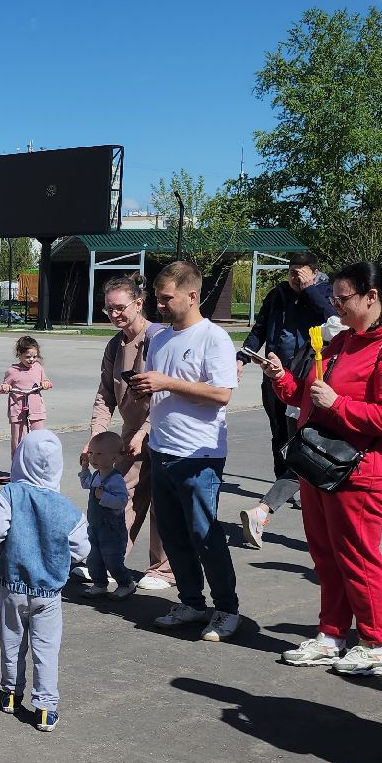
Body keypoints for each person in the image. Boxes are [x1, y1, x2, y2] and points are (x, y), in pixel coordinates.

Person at [259, 261, 382, 677]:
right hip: (322, 464)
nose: (333, 305)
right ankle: (332, 635)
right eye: (332, 297)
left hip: (361, 469)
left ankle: (376, 645)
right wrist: (282, 378)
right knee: (325, 555)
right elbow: (308, 394)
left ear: (372, 298)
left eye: (342, 298)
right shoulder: (344, 340)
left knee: (358, 557)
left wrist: (338, 405)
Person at [132, 261, 242, 641]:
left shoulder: (213, 338)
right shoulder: (161, 338)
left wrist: (167, 382)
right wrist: (146, 388)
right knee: (173, 534)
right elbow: (162, 388)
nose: (159, 306)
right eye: (158, 298)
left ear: (192, 295)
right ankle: (192, 603)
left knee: (204, 532)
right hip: (163, 448)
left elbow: (221, 394)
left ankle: (226, 608)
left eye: (166, 298)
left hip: (199, 454)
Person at [0, 430, 91, 733]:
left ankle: (11, 693)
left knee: (12, 639)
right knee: (46, 647)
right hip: (48, 589)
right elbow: (82, 549)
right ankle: (45, 707)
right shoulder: (66, 507)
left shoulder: (10, 494)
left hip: (11, 583)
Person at [83, 276, 175, 590]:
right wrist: (96, 437)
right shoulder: (114, 344)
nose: (114, 314)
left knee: (163, 502)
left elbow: (168, 396)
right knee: (119, 494)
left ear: (139, 303)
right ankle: (112, 559)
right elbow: (105, 395)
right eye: (109, 309)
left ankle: (163, 569)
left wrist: (145, 431)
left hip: (164, 430)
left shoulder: (160, 338)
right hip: (130, 433)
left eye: (120, 307)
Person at [237, 252, 333, 548]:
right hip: (274, 374)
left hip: (306, 378)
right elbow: (261, 327)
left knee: (304, 438)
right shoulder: (278, 294)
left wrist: (309, 290)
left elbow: (330, 320)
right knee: (280, 432)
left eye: (301, 273)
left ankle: (290, 488)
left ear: (315, 274)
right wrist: (243, 356)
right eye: (292, 272)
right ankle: (286, 483)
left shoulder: (325, 293)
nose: (295, 278)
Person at [77, 431, 137, 598]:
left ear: (115, 458)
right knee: (94, 559)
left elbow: (122, 501)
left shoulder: (115, 479)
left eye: (99, 454)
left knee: (112, 560)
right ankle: (99, 584)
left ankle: (126, 583)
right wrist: (84, 468)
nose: (93, 458)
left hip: (112, 529)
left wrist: (104, 497)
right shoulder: (96, 475)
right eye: (91, 453)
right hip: (95, 527)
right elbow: (86, 484)